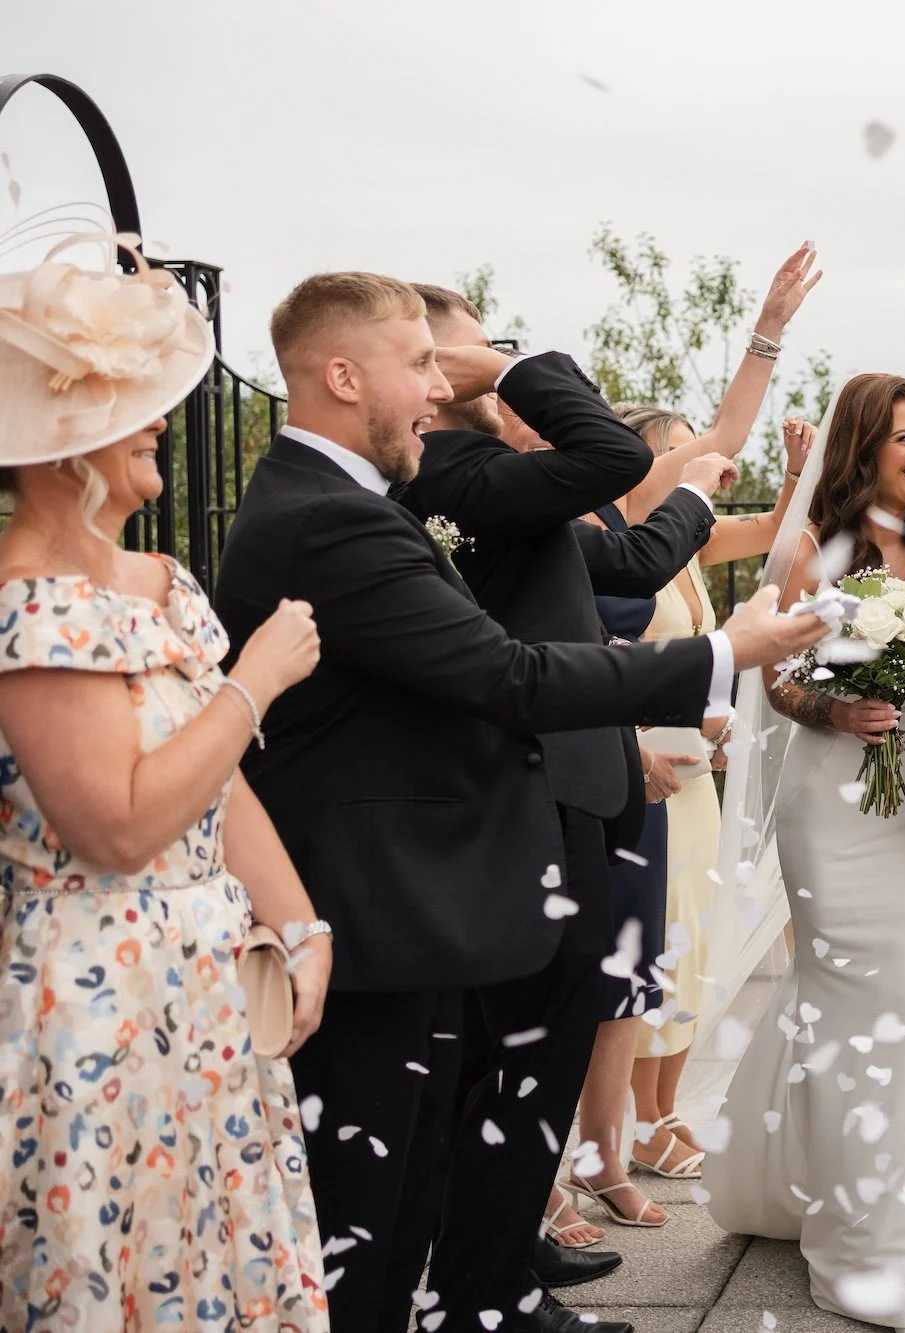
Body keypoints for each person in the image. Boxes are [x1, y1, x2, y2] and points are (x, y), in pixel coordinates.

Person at [212, 270, 825, 1333]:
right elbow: (512, 675)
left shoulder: (349, 505)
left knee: (397, 1203)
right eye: (422, 364)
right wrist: (729, 651)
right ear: (344, 374)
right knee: (359, 1222)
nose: (438, 386)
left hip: (408, 908)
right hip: (365, 914)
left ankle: (471, 1298)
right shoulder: (332, 520)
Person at [0, 236, 331, 1332]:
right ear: (59, 443)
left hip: (204, 985)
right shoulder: (32, 605)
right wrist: (254, 683)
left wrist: (300, 924)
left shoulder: (163, 582)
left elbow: (217, 787)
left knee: (220, 1264)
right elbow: (118, 827)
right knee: (130, 1272)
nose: (157, 421)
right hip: (98, 994)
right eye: (135, 403)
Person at [702, 373, 905, 1331]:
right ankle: (868, 1224)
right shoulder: (820, 547)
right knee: (849, 999)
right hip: (832, 808)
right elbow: (772, 679)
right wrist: (838, 706)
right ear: (866, 447)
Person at [604, 404, 816, 1192]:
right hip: (645, 768)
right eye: (681, 447)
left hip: (694, 775)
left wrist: (794, 469)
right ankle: (638, 1121)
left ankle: (661, 1110)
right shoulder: (618, 555)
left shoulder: (687, 545)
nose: (700, 458)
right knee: (652, 939)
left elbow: (774, 532)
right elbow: (599, 657)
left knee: (693, 939)